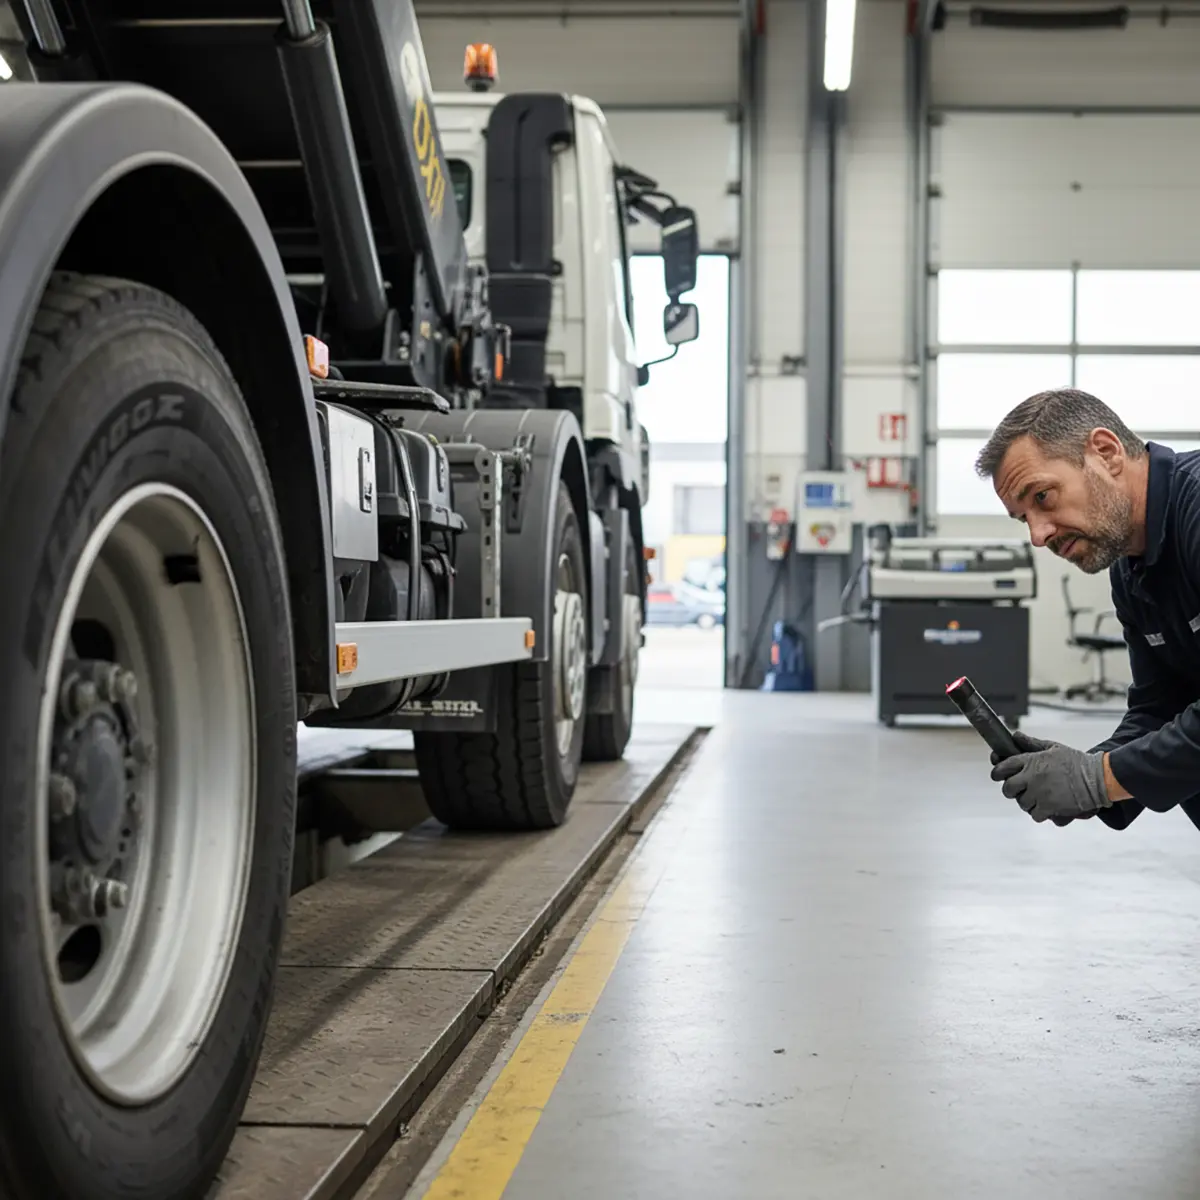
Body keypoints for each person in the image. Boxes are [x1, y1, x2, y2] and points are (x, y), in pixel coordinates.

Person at [973, 387, 1200, 831]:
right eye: (1024, 519)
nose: (1038, 535)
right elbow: (1161, 704)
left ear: (1106, 452)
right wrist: (1085, 772)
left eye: (1042, 497)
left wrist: (1099, 779)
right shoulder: (1131, 568)